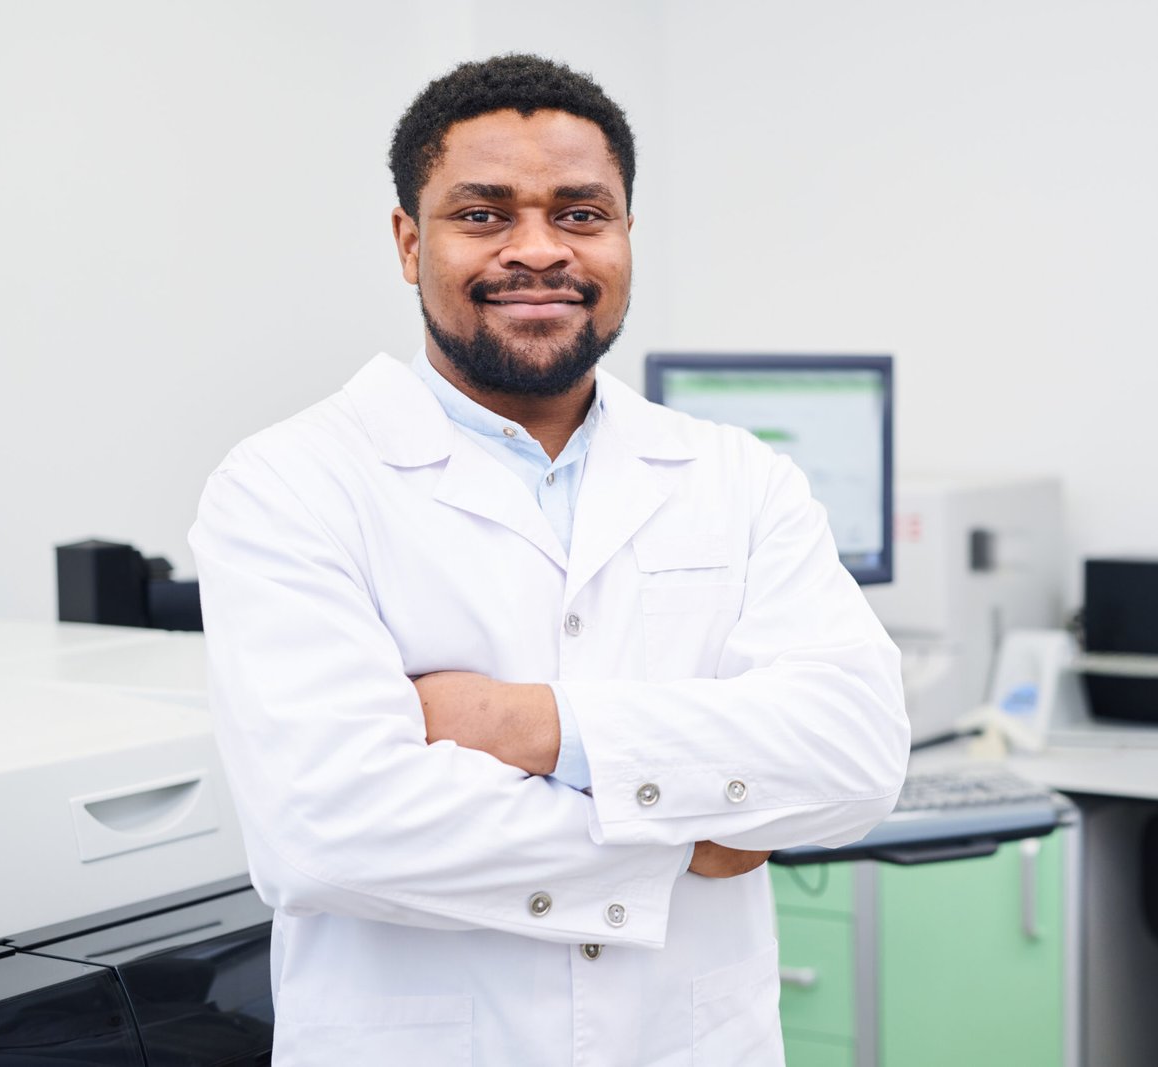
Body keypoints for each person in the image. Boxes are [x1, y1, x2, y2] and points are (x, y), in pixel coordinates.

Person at [189, 54, 909, 1067]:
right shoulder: (288, 483)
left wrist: (520, 722)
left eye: (579, 213)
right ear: (408, 241)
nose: (537, 250)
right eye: (482, 214)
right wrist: (695, 831)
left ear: (623, 237)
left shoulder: (737, 477)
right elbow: (329, 827)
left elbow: (857, 752)